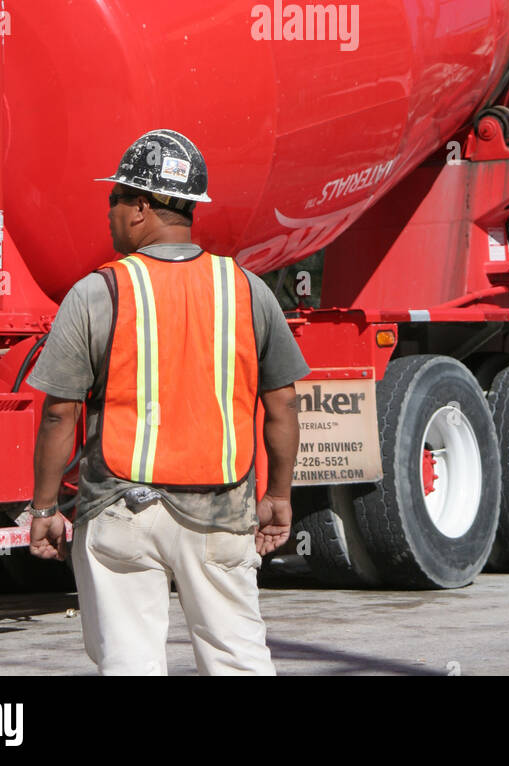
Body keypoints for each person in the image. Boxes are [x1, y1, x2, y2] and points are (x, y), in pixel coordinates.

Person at [26, 129, 308, 677]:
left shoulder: (97, 292)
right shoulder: (247, 289)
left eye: (114, 200)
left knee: (130, 664)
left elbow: (60, 412)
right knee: (238, 661)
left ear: (140, 207)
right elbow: (283, 405)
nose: (108, 214)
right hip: (223, 512)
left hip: (121, 510)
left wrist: (42, 510)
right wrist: (277, 495)